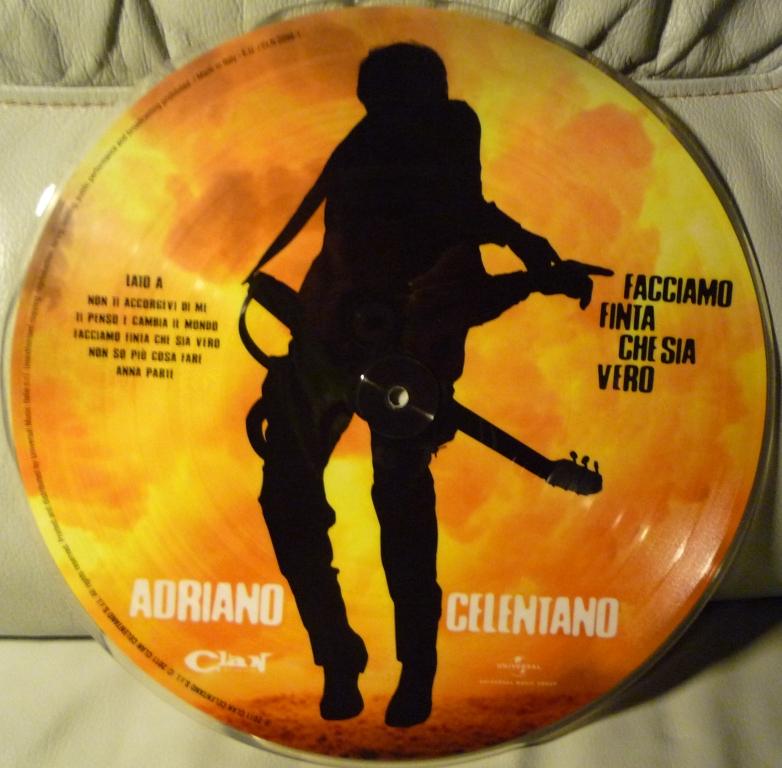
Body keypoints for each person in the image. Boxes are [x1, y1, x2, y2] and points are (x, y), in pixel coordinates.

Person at [244, 42, 603, 727]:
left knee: (402, 507)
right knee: (290, 498)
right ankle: (338, 654)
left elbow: (457, 233)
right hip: (326, 342)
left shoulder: (438, 147)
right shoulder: (368, 155)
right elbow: (455, 224)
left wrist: (529, 265)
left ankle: (416, 668)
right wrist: (529, 262)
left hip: (406, 348)